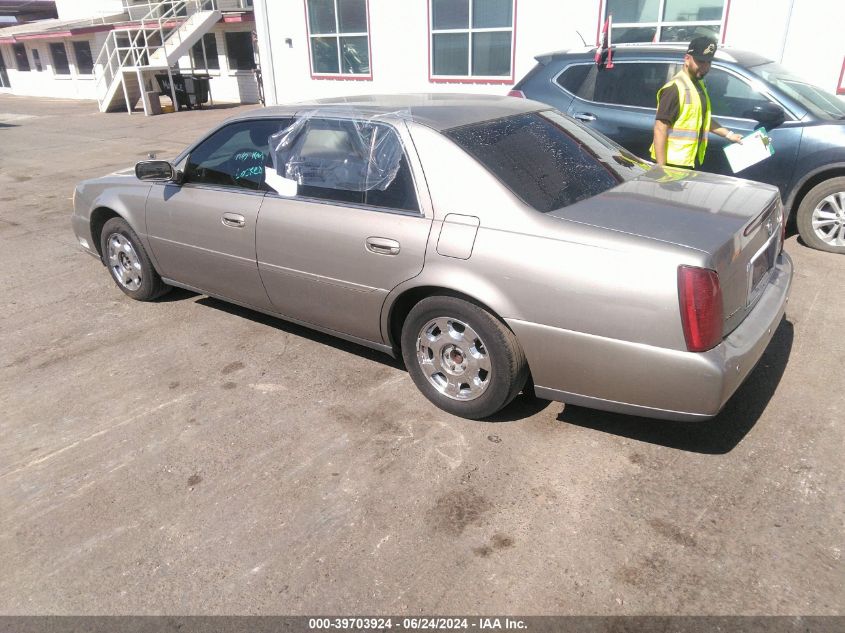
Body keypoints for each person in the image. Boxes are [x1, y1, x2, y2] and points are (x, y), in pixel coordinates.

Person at [650, 36, 743, 168]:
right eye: (701, 61)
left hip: (688, 161)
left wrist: (729, 135)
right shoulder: (674, 88)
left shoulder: (698, 84)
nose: (705, 67)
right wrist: (661, 168)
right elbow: (660, 129)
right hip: (672, 165)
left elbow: (702, 119)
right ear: (687, 59)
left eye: (708, 62)